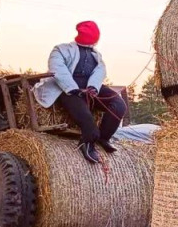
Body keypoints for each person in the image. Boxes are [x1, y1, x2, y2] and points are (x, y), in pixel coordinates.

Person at [33, 21, 128, 164]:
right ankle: (87, 142)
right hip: (66, 89)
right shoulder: (61, 49)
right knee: (87, 118)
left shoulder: (96, 55)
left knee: (119, 104)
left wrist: (93, 88)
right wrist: (73, 89)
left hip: (89, 88)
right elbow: (57, 69)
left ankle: (103, 137)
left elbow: (100, 71)